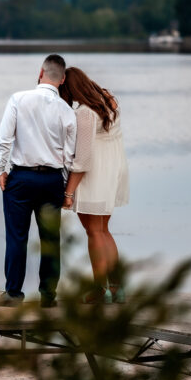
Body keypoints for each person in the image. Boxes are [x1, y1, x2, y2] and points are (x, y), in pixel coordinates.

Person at [0, 54, 77, 307]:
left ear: (41, 72)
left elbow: (4, 139)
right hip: (52, 180)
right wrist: (65, 185)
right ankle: (48, 296)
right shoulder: (67, 111)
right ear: (61, 80)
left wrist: (0, 169)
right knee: (51, 239)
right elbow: (70, 156)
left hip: (21, 178)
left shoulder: (19, 99)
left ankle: (14, 294)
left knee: (17, 237)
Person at [59, 66, 130, 304]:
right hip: (112, 171)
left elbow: (83, 158)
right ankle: (117, 288)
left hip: (94, 175)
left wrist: (68, 192)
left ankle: (101, 290)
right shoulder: (108, 104)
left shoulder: (85, 113)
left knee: (93, 232)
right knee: (104, 230)